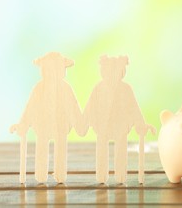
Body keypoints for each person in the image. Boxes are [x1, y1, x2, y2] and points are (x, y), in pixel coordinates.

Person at [10, 52, 83, 183]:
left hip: (60, 126)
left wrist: (80, 124)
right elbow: (30, 108)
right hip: (42, 126)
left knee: (60, 150)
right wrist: (23, 125)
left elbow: (73, 107)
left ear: (62, 70)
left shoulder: (65, 88)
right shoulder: (39, 88)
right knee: (42, 150)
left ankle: (60, 175)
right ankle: (41, 175)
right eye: (48, 69)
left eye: (56, 69)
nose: (52, 73)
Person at [84, 55, 156, 184]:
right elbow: (90, 107)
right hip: (102, 126)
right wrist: (83, 122)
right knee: (101, 151)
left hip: (120, 126)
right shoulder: (98, 88)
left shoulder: (126, 89)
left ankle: (121, 176)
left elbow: (134, 108)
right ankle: (101, 176)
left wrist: (140, 124)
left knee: (121, 152)